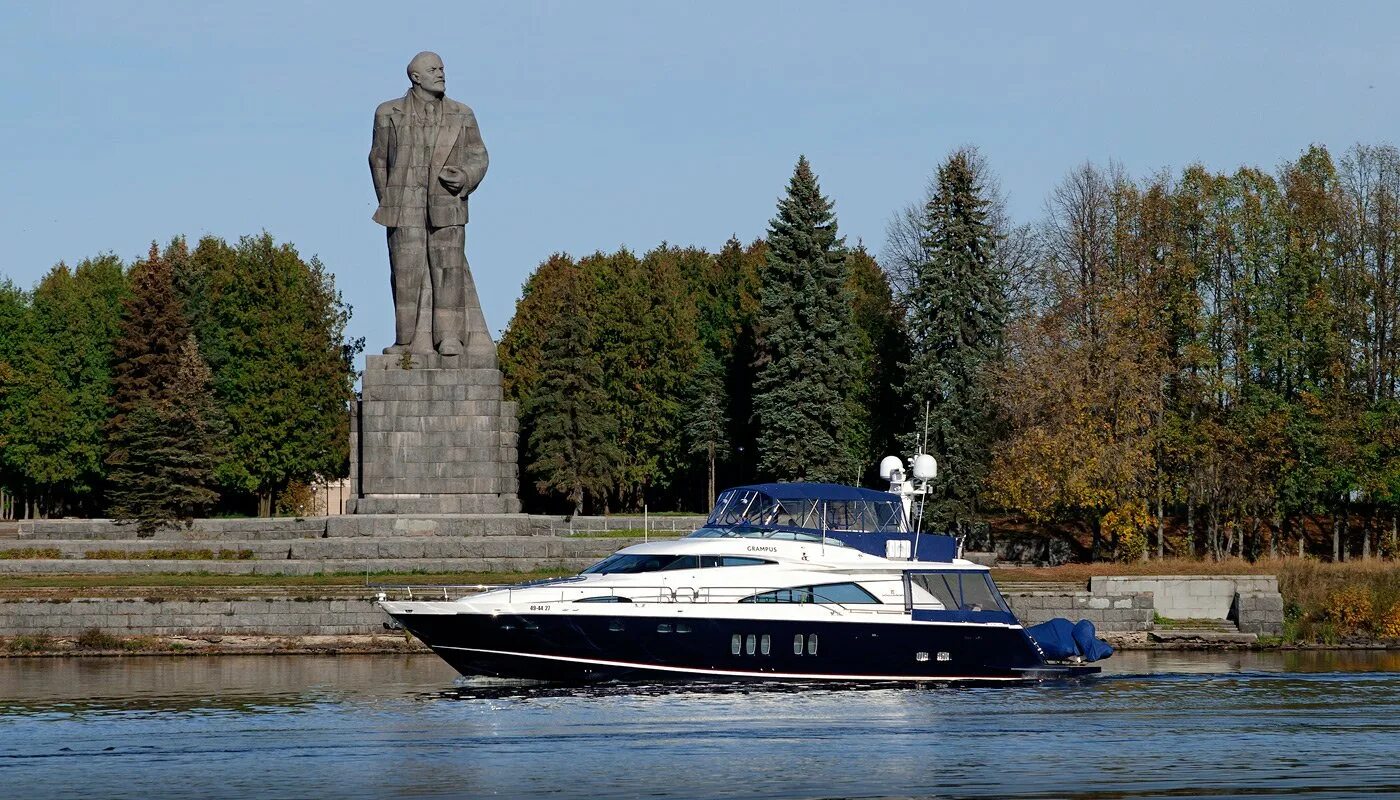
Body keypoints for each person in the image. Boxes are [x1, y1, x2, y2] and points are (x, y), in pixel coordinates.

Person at [369, 51, 491, 357]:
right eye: (433, 69)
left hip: (447, 204)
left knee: (448, 270)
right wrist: (389, 198)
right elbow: (378, 159)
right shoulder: (387, 112)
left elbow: (479, 156)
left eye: (442, 68)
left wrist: (464, 178)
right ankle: (405, 341)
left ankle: (449, 338)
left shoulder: (462, 114)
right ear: (415, 77)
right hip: (403, 204)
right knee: (405, 273)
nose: (441, 73)